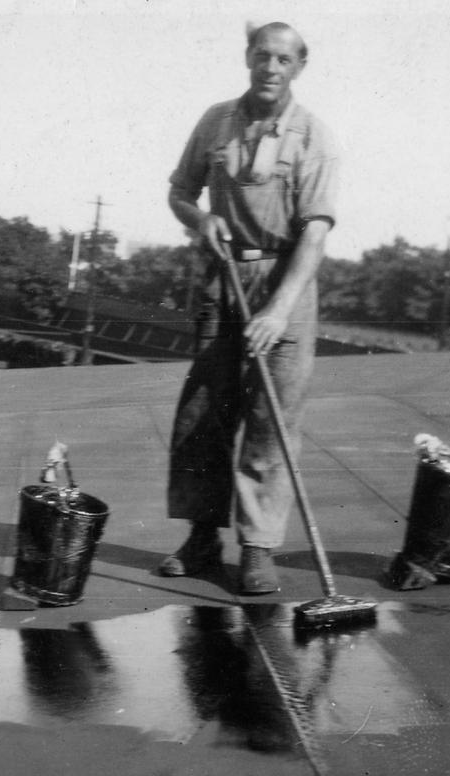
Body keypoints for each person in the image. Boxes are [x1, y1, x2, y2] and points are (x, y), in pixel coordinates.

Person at [160, 21, 339, 594]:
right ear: (247, 58)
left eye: (284, 60)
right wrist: (200, 219)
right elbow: (179, 192)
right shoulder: (215, 121)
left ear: (299, 67)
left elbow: (315, 236)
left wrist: (278, 310)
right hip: (223, 279)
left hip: (285, 282)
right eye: (263, 56)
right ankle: (202, 537)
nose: (271, 68)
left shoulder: (314, 136)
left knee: (270, 418)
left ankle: (258, 547)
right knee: (203, 413)